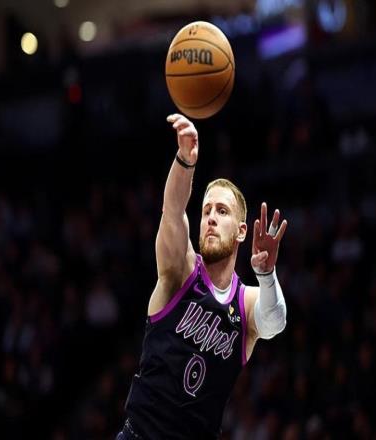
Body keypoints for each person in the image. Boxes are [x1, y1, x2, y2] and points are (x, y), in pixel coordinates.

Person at [116, 114, 288, 439]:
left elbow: (275, 322)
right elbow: (172, 211)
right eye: (207, 210)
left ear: (241, 231)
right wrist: (185, 160)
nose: (210, 218)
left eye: (221, 211)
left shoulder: (246, 302)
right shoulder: (180, 271)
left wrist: (266, 275)